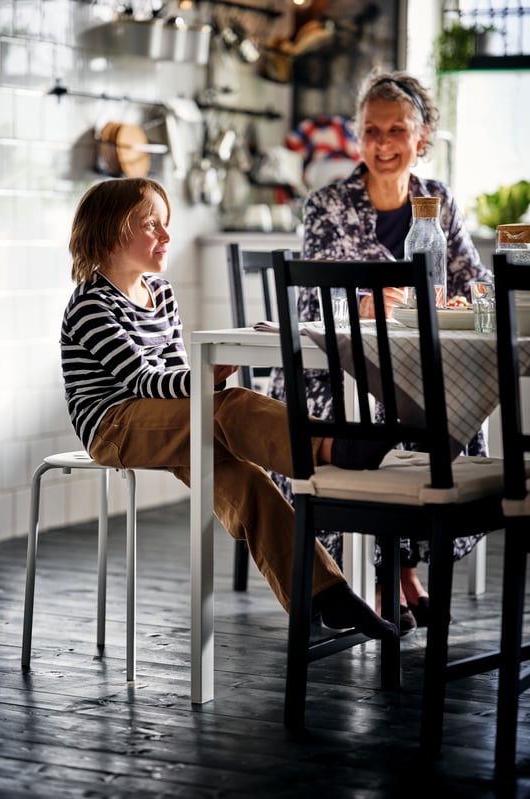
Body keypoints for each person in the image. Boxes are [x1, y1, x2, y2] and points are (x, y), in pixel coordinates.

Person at [60, 175, 399, 642]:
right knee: (228, 407)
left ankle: (324, 594)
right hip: (114, 425)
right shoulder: (91, 304)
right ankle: (334, 446)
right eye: (151, 224)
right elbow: (142, 381)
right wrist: (209, 377)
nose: (166, 235)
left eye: (166, 223)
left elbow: (175, 376)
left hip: (167, 420)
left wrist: (205, 378)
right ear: (111, 231)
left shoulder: (161, 294)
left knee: (248, 482)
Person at [267, 68, 493, 634]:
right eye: (372, 130)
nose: (385, 143)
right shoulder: (326, 204)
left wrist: (448, 297)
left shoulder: (437, 201)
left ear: (422, 138)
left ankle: (398, 565)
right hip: (339, 373)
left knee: (442, 416)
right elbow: (311, 303)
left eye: (398, 130)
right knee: (369, 424)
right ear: (357, 136)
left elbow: (473, 281)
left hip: (411, 367)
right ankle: (381, 574)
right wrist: (365, 303)